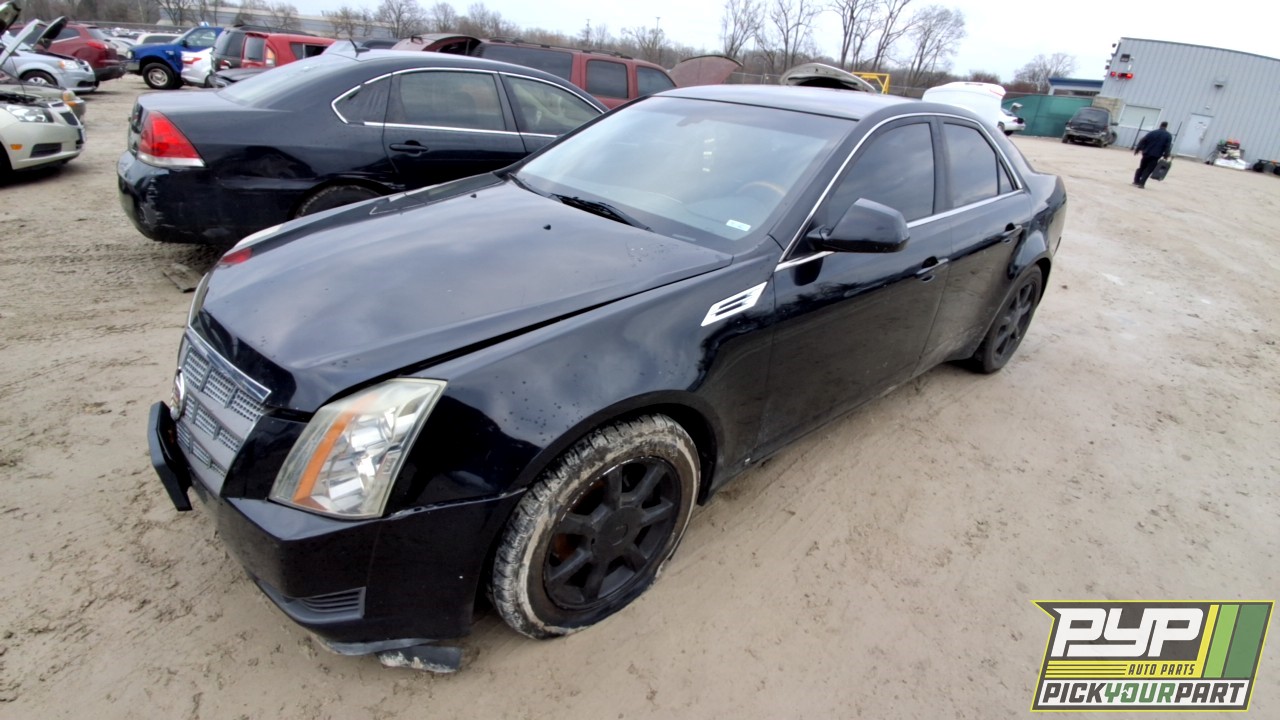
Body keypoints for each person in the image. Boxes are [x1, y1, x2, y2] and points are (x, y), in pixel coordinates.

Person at [1133, 121, 1173, 188]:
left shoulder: (1152, 132)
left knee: (1142, 167)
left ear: (1160, 125)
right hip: (1155, 156)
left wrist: (1138, 149)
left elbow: (1143, 140)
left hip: (1146, 153)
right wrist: (1166, 155)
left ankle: (1136, 181)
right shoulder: (1168, 136)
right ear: (1166, 126)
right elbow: (1167, 146)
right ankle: (1141, 184)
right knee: (1148, 170)